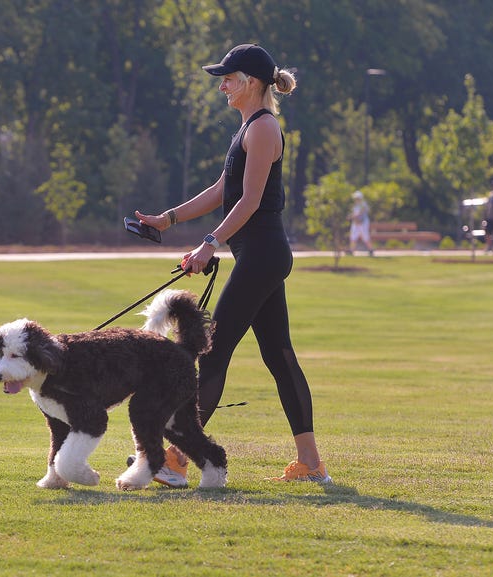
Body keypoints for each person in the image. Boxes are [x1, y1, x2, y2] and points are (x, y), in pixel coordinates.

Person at [135, 44, 331, 485]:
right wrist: (168, 219)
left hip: (262, 255)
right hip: (259, 256)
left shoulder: (263, 130)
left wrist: (210, 244)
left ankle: (176, 460)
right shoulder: (247, 129)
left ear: (253, 83)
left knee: (212, 352)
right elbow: (224, 189)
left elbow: (251, 200)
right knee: (280, 358)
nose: (222, 84)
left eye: (228, 77)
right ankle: (311, 464)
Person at [349, 190, 374, 256]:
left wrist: (353, 216)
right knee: (353, 236)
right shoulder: (355, 205)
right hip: (356, 222)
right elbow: (354, 213)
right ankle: (351, 250)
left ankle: (371, 250)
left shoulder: (363, 204)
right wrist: (353, 217)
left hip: (363, 223)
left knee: (365, 236)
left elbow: (360, 213)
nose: (356, 199)